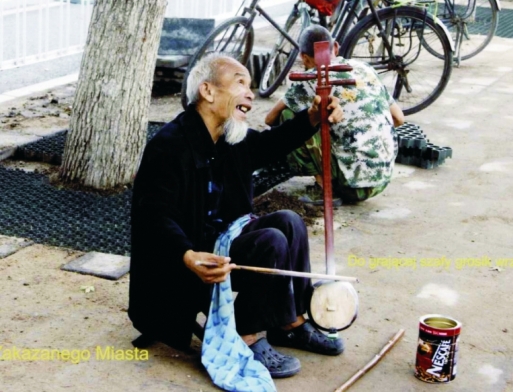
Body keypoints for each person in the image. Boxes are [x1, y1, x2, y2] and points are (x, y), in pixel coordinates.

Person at [128, 52, 345, 384]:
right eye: (240, 83)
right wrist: (187, 255)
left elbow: (273, 143)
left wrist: (313, 117)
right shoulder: (168, 146)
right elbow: (154, 215)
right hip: (189, 259)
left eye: (250, 85)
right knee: (269, 240)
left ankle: (290, 321)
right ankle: (247, 335)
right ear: (208, 91)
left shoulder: (231, 136)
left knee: (289, 221)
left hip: (224, 241)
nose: (250, 93)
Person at [265, 25, 404, 204]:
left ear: (304, 57)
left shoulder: (309, 79)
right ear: (336, 47)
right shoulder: (365, 69)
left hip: (348, 185)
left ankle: (323, 187)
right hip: (382, 180)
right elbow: (399, 118)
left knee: (288, 115)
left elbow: (271, 119)